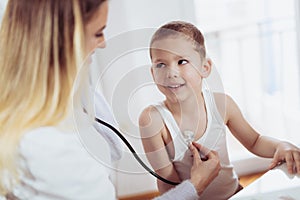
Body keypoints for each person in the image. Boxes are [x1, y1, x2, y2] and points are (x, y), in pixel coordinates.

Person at [0, 1, 221, 199]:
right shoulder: (47, 145)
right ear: (63, 40)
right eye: (98, 33)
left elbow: (111, 148)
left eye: (182, 61)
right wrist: (196, 186)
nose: (104, 43)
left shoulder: (64, 97)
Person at [139, 21, 300, 200]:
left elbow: (255, 141)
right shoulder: (152, 120)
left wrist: (281, 146)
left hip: (235, 194)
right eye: (161, 65)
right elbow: (167, 183)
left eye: (182, 61)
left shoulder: (222, 104)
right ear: (152, 73)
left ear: (205, 67)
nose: (171, 73)